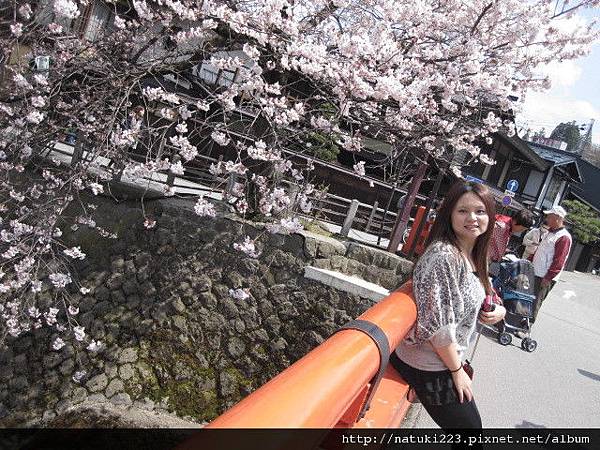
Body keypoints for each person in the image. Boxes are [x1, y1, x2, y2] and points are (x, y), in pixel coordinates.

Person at [389, 181, 506, 431]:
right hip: (428, 364)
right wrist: (456, 371)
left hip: (445, 359)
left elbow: (488, 293)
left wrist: (499, 309)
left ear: (490, 217)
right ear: (449, 214)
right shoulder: (443, 256)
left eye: (480, 211)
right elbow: (437, 325)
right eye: (462, 211)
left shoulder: (474, 255)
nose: (472, 218)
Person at [530, 205, 572, 326]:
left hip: (545, 275)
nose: (547, 218)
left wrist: (548, 277)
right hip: (536, 271)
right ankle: (522, 322)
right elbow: (540, 250)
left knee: (536, 301)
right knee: (530, 298)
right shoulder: (550, 232)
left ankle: (526, 328)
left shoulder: (564, 237)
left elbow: (559, 261)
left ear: (558, 218)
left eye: (549, 216)